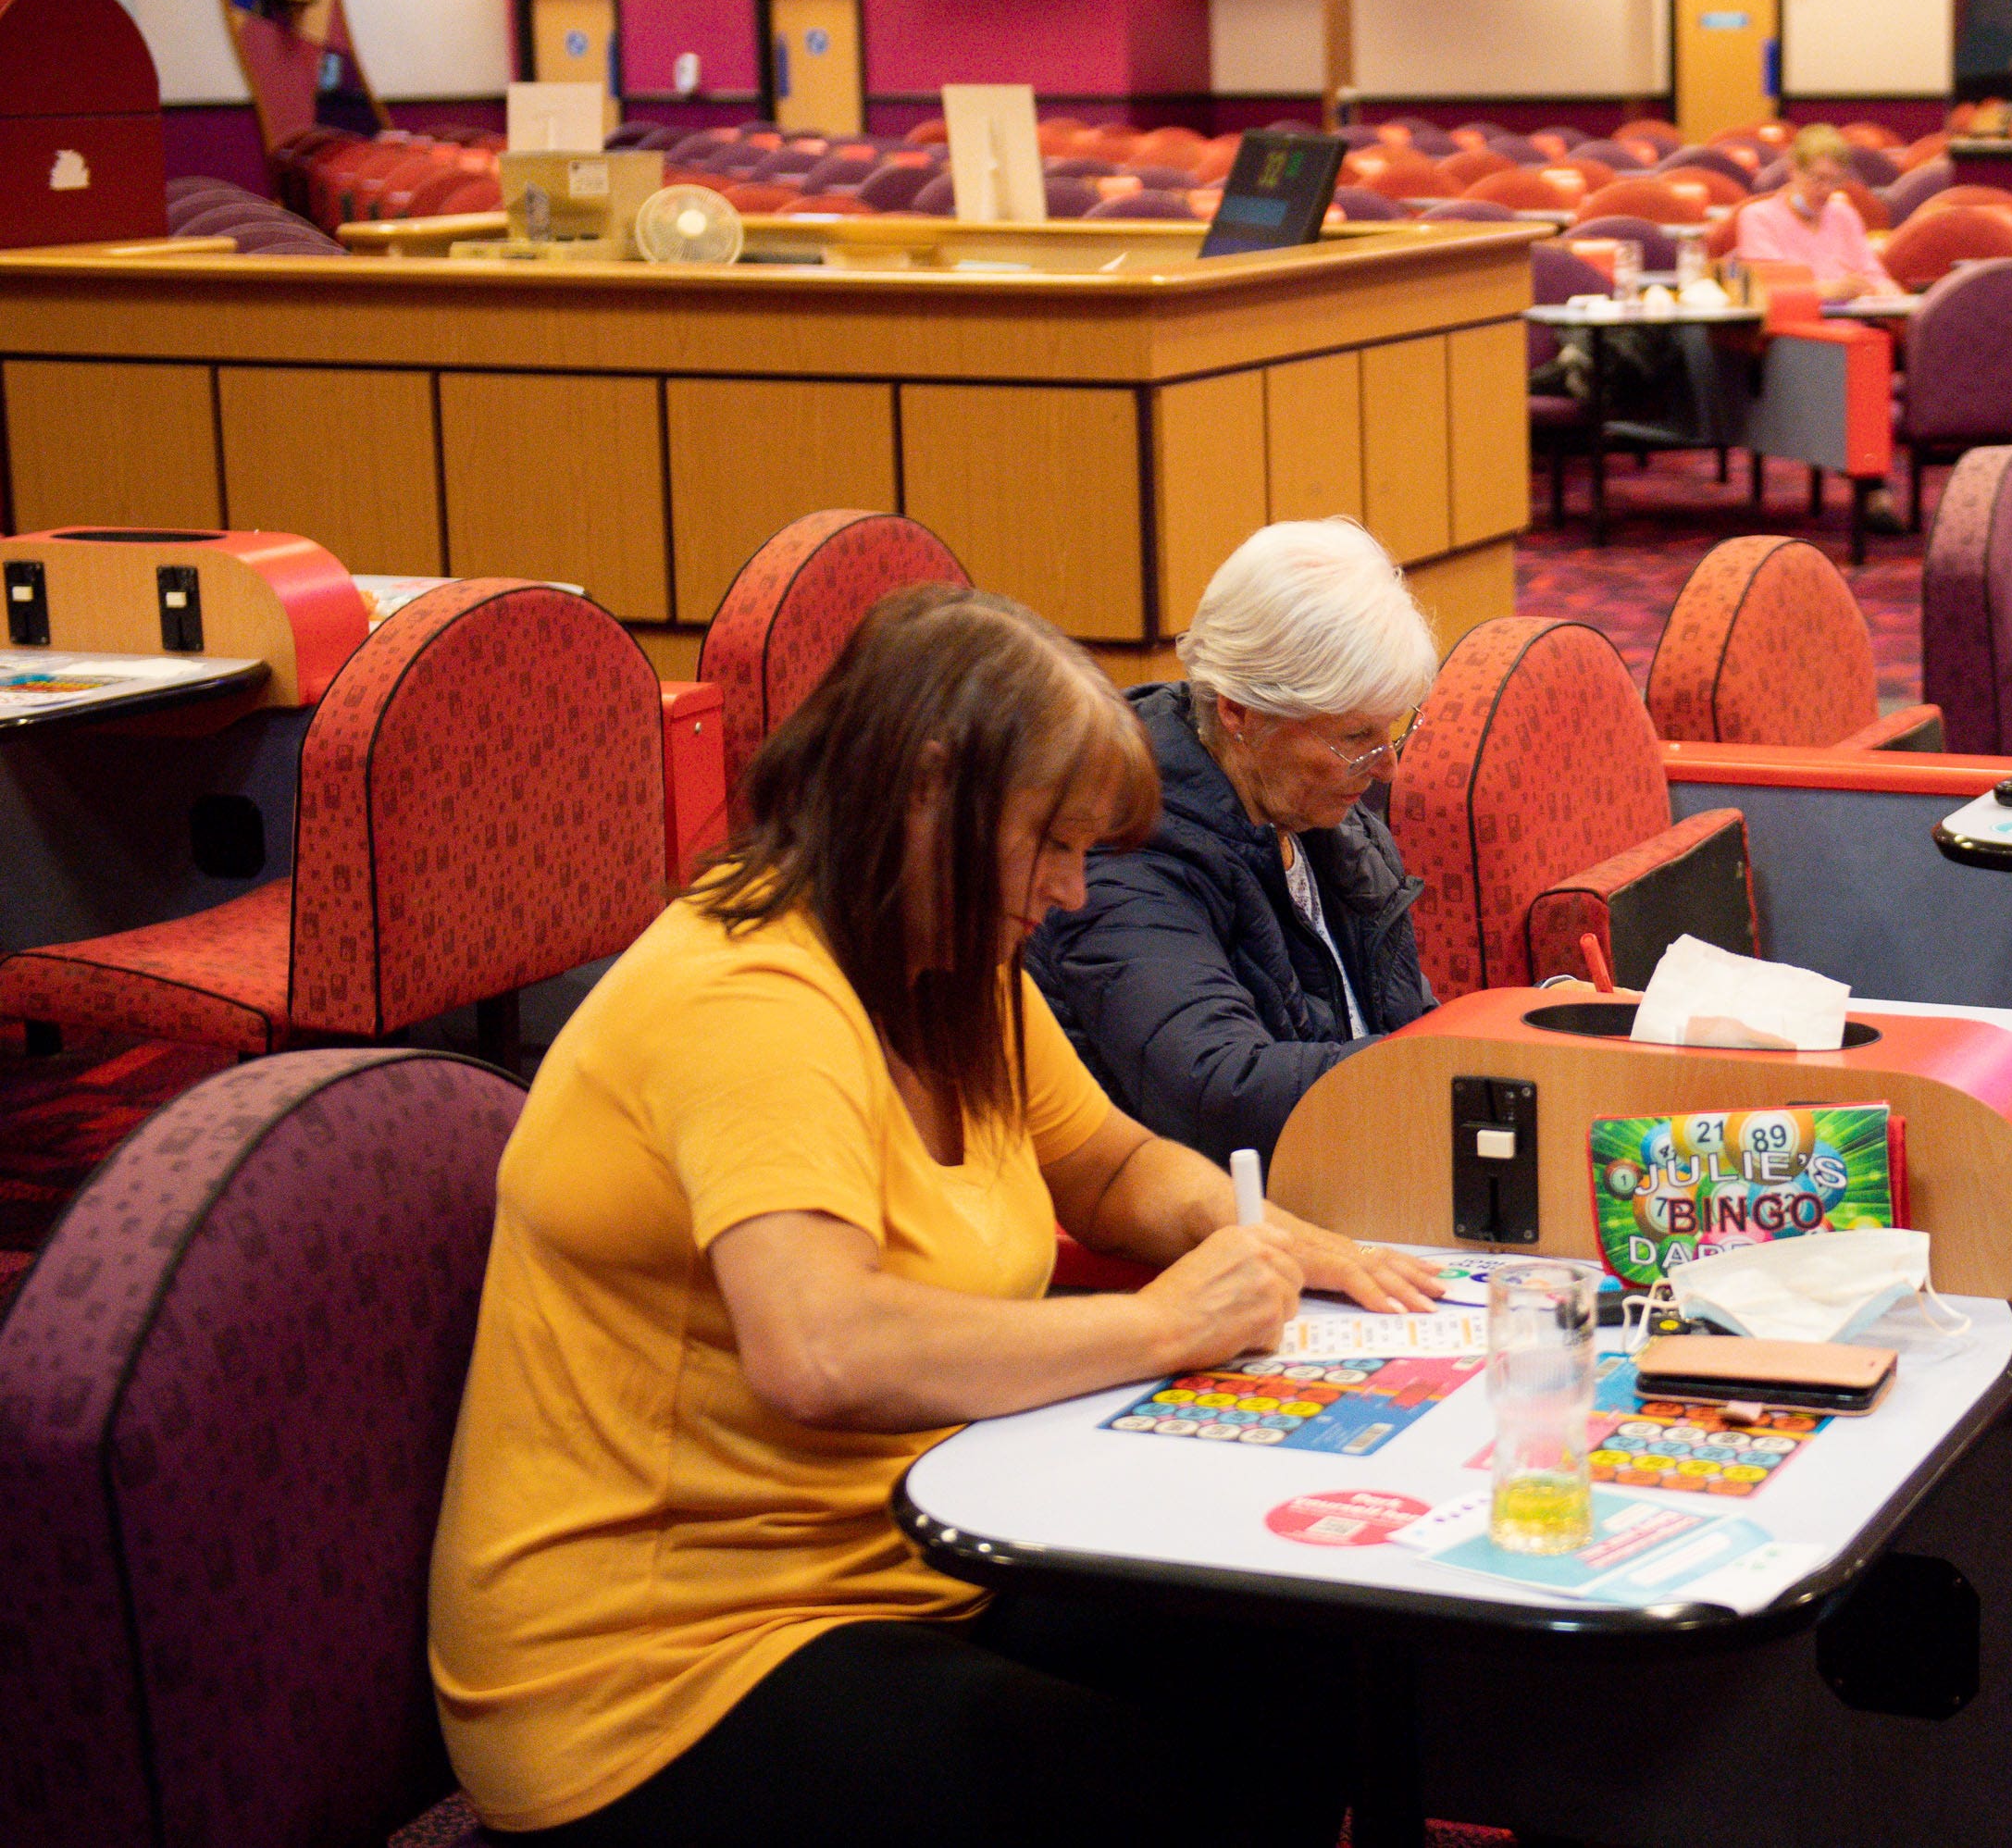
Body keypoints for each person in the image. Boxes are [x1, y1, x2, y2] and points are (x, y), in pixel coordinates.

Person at [429, 583, 1438, 1846]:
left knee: (1284, 1661)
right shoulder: (747, 995)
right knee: (1129, 1783)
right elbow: (821, 1348)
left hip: (902, 1549)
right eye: (1051, 845)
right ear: (923, 794)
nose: (1071, 892)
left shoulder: (944, 963)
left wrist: (1243, 1229)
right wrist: (1166, 1325)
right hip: (658, 1664)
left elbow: (1113, 1162)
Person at [1031, 518, 1440, 1163]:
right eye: (1354, 736)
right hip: (1200, 1227)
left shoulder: (1320, 812)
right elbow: (1217, 1090)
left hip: (1344, 1176)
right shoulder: (1123, 844)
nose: (1385, 765)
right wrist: (1457, 1066)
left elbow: (1398, 1022)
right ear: (1238, 711)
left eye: (1389, 729)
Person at [1731, 123, 1897, 300]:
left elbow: (1874, 275)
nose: (1826, 190)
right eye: (1818, 179)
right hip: (1790, 324)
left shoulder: (1844, 215)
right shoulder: (1758, 217)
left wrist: (1885, 289)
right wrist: (1827, 291)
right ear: (1793, 170)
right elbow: (1765, 286)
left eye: (1835, 181)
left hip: (1853, 323)